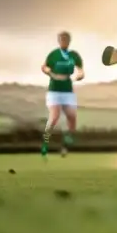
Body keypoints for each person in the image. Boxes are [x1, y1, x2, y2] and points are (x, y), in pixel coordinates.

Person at [40, 30, 84, 158]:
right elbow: (44, 67)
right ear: (59, 41)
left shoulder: (74, 55)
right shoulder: (53, 54)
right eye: (62, 39)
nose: (64, 41)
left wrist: (80, 76)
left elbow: (80, 70)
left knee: (72, 117)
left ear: (69, 41)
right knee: (54, 117)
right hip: (54, 91)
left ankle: (65, 146)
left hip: (68, 91)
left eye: (66, 39)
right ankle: (45, 143)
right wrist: (50, 73)